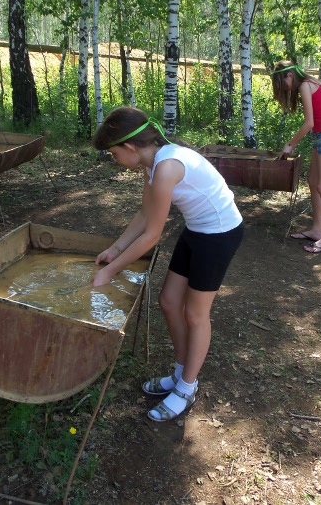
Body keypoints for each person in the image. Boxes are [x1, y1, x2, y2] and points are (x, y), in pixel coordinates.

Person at [91, 107, 244, 422]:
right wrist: (114, 248)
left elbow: (152, 235)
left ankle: (187, 388)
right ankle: (179, 373)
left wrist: (110, 270)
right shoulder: (150, 165)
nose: (114, 159)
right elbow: (145, 215)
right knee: (169, 300)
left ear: (130, 148)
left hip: (219, 234)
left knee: (195, 313)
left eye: (113, 153)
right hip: (197, 229)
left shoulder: (166, 167)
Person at [271, 60, 321, 254]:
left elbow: (309, 122)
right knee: (312, 181)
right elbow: (314, 123)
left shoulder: (304, 85)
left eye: (283, 82)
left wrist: (291, 144)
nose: (285, 88)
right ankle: (316, 230)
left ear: (290, 75)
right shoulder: (309, 83)